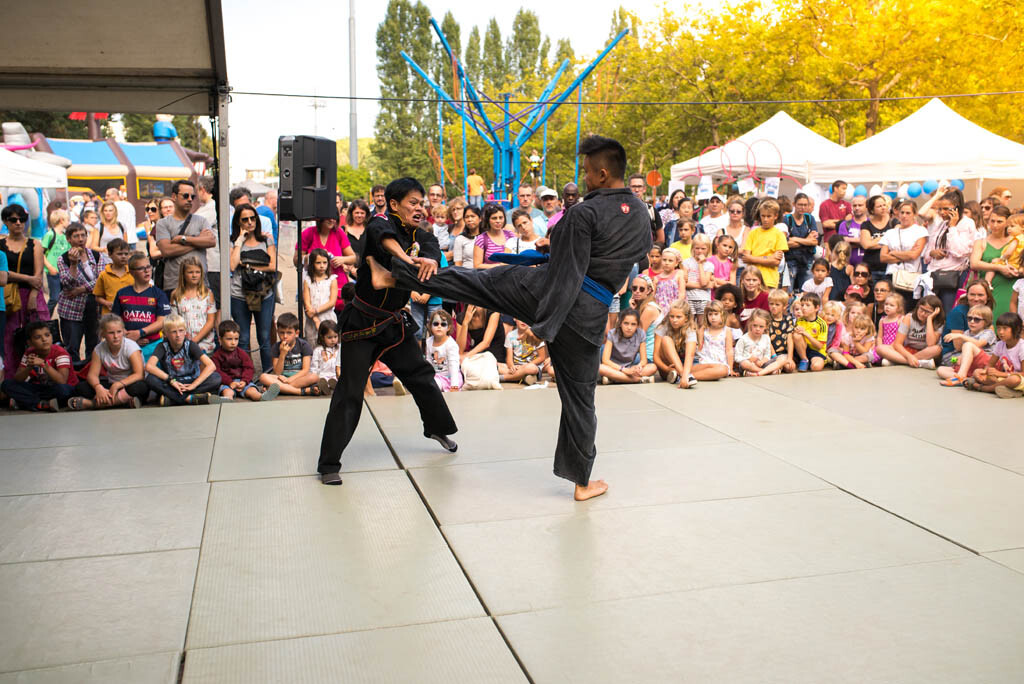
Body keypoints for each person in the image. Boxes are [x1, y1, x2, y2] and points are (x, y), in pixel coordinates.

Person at [376, 136, 652, 500]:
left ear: (602, 174)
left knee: (479, 282)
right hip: (591, 316)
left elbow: (567, 273)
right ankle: (582, 482)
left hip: (549, 296)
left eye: (587, 172)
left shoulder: (584, 213)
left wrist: (546, 324)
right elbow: (638, 259)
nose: (584, 178)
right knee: (581, 400)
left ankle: (397, 275)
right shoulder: (641, 214)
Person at [318, 177, 459, 487]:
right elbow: (385, 238)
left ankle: (436, 427)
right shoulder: (379, 223)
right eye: (413, 203)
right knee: (350, 391)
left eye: (422, 203)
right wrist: (407, 261)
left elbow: (432, 249)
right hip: (362, 323)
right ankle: (328, 463)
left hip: (394, 324)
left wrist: (428, 259)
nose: (419, 208)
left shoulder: (422, 235)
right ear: (394, 204)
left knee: (421, 375)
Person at [230, 204, 277, 371]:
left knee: (264, 336)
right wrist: (239, 241)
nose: (250, 222)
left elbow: (273, 266)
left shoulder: (266, 240)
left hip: (263, 293)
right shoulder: (233, 242)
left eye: (253, 218)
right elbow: (232, 265)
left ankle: (267, 374)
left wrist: (247, 264)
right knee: (242, 338)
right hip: (239, 294)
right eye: (245, 219)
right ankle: (246, 375)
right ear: (238, 222)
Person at [2, 204, 49, 363]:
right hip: (8, 297)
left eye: (22, 219)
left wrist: (33, 296)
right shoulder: (1, 245)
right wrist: (27, 278)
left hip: (31, 295)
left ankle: (39, 372)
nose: (18, 223)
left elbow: (38, 274)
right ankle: (11, 375)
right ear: (5, 221)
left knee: (39, 337)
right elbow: (2, 274)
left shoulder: (34, 244)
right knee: (9, 338)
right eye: (13, 219)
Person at [70, 314, 147, 410]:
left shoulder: (131, 347)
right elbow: (92, 375)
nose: (116, 336)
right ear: (103, 334)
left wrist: (118, 385)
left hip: (128, 384)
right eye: (111, 333)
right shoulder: (99, 349)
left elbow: (139, 374)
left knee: (140, 387)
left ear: (124, 331)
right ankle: (123, 401)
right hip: (111, 384)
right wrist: (98, 388)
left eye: (119, 332)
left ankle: (92, 404)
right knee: (81, 388)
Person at [145, 314, 225, 406]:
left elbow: (211, 366)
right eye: (173, 332)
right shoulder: (162, 346)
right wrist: (171, 380)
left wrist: (194, 384)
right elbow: (149, 366)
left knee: (216, 378)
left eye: (181, 331)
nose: (178, 335)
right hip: (173, 383)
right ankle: (188, 398)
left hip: (191, 381)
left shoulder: (191, 345)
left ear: (185, 331)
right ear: (166, 334)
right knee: (150, 379)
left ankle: (173, 398)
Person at [155, 181, 216, 296]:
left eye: (192, 197)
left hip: (200, 285)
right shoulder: (163, 223)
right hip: (174, 285)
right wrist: (198, 241)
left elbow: (211, 241)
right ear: (174, 196)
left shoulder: (201, 220)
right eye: (185, 196)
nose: (189, 199)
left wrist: (184, 239)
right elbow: (167, 251)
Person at [1, 320, 78, 411]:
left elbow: (62, 381)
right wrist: (29, 367)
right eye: (38, 337)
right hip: (42, 388)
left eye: (47, 335)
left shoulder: (60, 352)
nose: (44, 339)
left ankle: (24, 401)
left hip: (63, 388)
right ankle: (40, 403)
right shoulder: (29, 353)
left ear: (51, 337)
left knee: (62, 390)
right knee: (7, 384)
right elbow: (18, 379)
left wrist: (43, 364)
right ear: (29, 342)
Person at [56, 222, 104, 363]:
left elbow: (101, 280)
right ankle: (73, 373)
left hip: (94, 308)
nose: (80, 239)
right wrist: (73, 264)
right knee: (71, 347)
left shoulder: (96, 256)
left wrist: (82, 289)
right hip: (71, 309)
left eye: (83, 235)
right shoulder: (63, 259)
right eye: (76, 236)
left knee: (94, 345)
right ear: (69, 239)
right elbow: (67, 283)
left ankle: (90, 371)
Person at [111, 252, 170, 353]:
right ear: (131, 272)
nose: (147, 271)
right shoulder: (122, 293)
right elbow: (114, 320)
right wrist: (127, 336)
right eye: (141, 268)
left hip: (153, 345)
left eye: (148, 267)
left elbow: (163, 321)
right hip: (126, 344)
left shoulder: (159, 294)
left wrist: (140, 333)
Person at [211, 319, 279, 401]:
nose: (233, 342)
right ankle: (227, 399)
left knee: (251, 391)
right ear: (220, 339)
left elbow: (249, 368)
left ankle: (262, 397)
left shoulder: (241, 353)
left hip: (242, 381)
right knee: (227, 392)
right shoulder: (216, 356)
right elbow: (218, 372)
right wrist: (229, 382)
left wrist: (244, 381)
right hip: (227, 383)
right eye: (229, 339)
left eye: (236, 339)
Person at [971, 206, 1019, 318]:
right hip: (989, 289)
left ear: (1007, 222)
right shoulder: (981, 242)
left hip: (1012, 288)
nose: (995, 225)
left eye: (999, 221)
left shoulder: (1016, 241)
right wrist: (999, 267)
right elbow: (974, 263)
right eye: (992, 221)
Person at [875, 295, 944, 369]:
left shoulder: (939, 323)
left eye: (928, 312)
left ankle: (897, 361)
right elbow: (897, 344)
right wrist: (909, 357)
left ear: (935, 313)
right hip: (907, 350)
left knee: (937, 349)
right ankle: (920, 363)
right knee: (880, 348)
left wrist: (929, 319)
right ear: (918, 307)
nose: (923, 314)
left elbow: (931, 343)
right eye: (921, 309)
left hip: (925, 352)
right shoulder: (908, 318)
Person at [966, 312, 1024, 398]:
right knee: (977, 372)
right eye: (998, 328)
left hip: (1019, 379)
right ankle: (1011, 390)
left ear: (1016, 328)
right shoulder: (1000, 344)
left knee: (1014, 379)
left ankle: (985, 388)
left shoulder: (1022, 346)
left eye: (1005, 328)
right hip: (1006, 379)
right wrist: (984, 372)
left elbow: (1023, 373)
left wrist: (999, 374)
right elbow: (990, 365)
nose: (1001, 332)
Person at [939, 279, 995, 367]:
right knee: (957, 361)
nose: (976, 298)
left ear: (987, 297)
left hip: (979, 354)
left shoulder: (986, 313)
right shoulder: (958, 312)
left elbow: (988, 337)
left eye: (980, 295)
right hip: (953, 355)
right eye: (972, 294)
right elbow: (958, 347)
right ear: (967, 295)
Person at [937, 304, 996, 386]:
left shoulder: (988, 332)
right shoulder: (967, 333)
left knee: (968, 345)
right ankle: (967, 379)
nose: (972, 321)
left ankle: (960, 377)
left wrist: (960, 336)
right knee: (941, 370)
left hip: (986, 364)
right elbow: (965, 352)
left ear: (986, 322)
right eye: (969, 318)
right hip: (972, 365)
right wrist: (958, 359)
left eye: (976, 319)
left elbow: (978, 344)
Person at [170, 256, 217, 354]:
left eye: (197, 272)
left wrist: (195, 340)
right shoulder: (176, 294)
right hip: (183, 343)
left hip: (205, 345)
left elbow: (211, 321)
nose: (194, 275)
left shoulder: (207, 294)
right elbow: (174, 321)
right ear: (183, 274)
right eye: (190, 272)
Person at [599, 308, 656, 384]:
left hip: (630, 366)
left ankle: (615, 379)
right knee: (600, 368)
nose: (629, 327)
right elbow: (605, 360)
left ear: (637, 325)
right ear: (620, 323)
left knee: (653, 367)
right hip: (614, 367)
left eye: (633, 324)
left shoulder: (641, 334)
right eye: (626, 323)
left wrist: (638, 367)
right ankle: (639, 380)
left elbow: (643, 360)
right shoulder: (612, 334)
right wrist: (624, 370)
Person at [740, 199, 787, 290]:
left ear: (775, 216)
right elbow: (746, 257)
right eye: (763, 216)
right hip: (751, 279)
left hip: (769, 280)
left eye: (769, 216)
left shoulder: (779, 234)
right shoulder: (753, 233)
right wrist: (769, 257)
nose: (765, 219)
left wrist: (753, 258)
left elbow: (775, 262)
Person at [193, 177, 221, 307]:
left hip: (212, 264)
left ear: (202, 189)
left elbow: (193, 229)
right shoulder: (210, 207)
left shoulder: (210, 208)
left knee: (214, 302)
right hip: (212, 263)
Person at [783, 193, 819, 292]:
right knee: (788, 292)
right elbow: (785, 243)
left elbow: (814, 241)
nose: (802, 207)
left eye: (805, 205)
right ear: (794, 204)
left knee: (807, 293)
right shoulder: (787, 219)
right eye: (800, 204)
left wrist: (794, 238)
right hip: (790, 261)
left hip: (806, 261)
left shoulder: (809, 219)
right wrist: (807, 240)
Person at [736, 309, 784, 376]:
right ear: (750, 324)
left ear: (766, 326)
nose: (757, 329)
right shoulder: (743, 339)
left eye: (761, 326)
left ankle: (759, 372)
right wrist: (749, 358)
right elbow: (737, 357)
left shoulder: (766, 338)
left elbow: (767, 354)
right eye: (755, 325)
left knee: (783, 358)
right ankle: (766, 371)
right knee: (744, 363)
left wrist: (763, 361)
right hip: (750, 364)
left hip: (763, 364)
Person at [93, 238, 134, 315]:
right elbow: (98, 297)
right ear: (110, 254)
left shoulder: (133, 273)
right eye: (119, 254)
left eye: (126, 254)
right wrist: (107, 303)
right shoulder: (104, 275)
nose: (123, 256)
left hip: (130, 314)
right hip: (110, 315)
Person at [41, 209, 70, 313]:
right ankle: (46, 318)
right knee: (54, 298)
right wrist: (49, 267)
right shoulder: (50, 235)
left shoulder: (66, 236)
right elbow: (41, 253)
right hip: (53, 272)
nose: (69, 222)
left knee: (64, 298)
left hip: (65, 272)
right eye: (67, 220)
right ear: (61, 220)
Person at [859, 195, 893, 283]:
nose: (883, 208)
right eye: (879, 206)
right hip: (871, 269)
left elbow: (895, 242)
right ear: (872, 210)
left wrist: (874, 241)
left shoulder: (893, 223)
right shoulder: (866, 225)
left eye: (884, 205)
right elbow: (866, 245)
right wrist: (887, 241)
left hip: (889, 268)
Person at [425, 309, 461, 391]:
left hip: (449, 377)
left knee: (433, 385)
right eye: (436, 324)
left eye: (443, 324)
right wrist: (427, 375)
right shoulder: (429, 341)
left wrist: (454, 384)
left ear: (448, 327)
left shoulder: (451, 344)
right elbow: (429, 360)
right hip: (435, 376)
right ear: (430, 326)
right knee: (423, 381)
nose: (439, 326)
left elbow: (453, 364)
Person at [793, 292, 828, 372]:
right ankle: (804, 360)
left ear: (816, 308)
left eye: (807, 305)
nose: (803, 308)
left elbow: (819, 346)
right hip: (802, 350)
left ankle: (812, 362)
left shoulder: (822, 324)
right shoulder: (799, 321)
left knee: (816, 367)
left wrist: (805, 333)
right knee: (796, 335)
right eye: (802, 305)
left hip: (816, 352)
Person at [682, 234, 714, 318]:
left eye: (703, 249)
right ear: (693, 248)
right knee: (690, 322)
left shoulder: (709, 265)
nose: (700, 251)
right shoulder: (686, 262)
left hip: (703, 298)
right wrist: (704, 286)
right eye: (697, 248)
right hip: (689, 298)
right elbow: (684, 283)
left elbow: (704, 282)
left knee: (701, 323)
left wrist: (700, 264)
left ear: (708, 249)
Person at [474, 203, 515, 269]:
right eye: (494, 218)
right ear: (488, 220)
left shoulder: (510, 235)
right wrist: (500, 266)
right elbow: (477, 266)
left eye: (500, 218)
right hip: (490, 274)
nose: (498, 221)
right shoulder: (481, 239)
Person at [767, 288, 797, 373]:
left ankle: (778, 366)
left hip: (783, 353)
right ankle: (776, 366)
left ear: (784, 306)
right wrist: (774, 356)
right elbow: (767, 339)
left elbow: (790, 340)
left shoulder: (788, 319)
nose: (774, 306)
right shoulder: (767, 318)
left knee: (790, 367)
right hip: (770, 353)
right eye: (771, 304)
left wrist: (790, 358)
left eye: (777, 304)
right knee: (777, 364)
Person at [628, 173, 664, 244]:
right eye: (633, 186)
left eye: (639, 186)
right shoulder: (622, 210)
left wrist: (652, 249)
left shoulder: (651, 210)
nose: (636, 190)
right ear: (628, 188)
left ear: (644, 189)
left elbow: (661, 239)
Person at [309, 319, 341, 396]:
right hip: (322, 375)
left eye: (335, 336)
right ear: (322, 337)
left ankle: (334, 386)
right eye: (329, 337)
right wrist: (314, 376)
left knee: (335, 380)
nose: (333, 340)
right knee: (321, 381)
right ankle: (324, 387)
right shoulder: (318, 350)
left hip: (335, 375)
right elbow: (314, 367)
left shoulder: (340, 348)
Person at [836, 195, 868, 265]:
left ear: (866, 206)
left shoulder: (871, 224)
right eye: (854, 205)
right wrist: (865, 242)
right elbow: (843, 245)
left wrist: (850, 240)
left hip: (870, 266)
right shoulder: (844, 224)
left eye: (860, 205)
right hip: (849, 266)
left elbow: (875, 243)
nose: (857, 208)